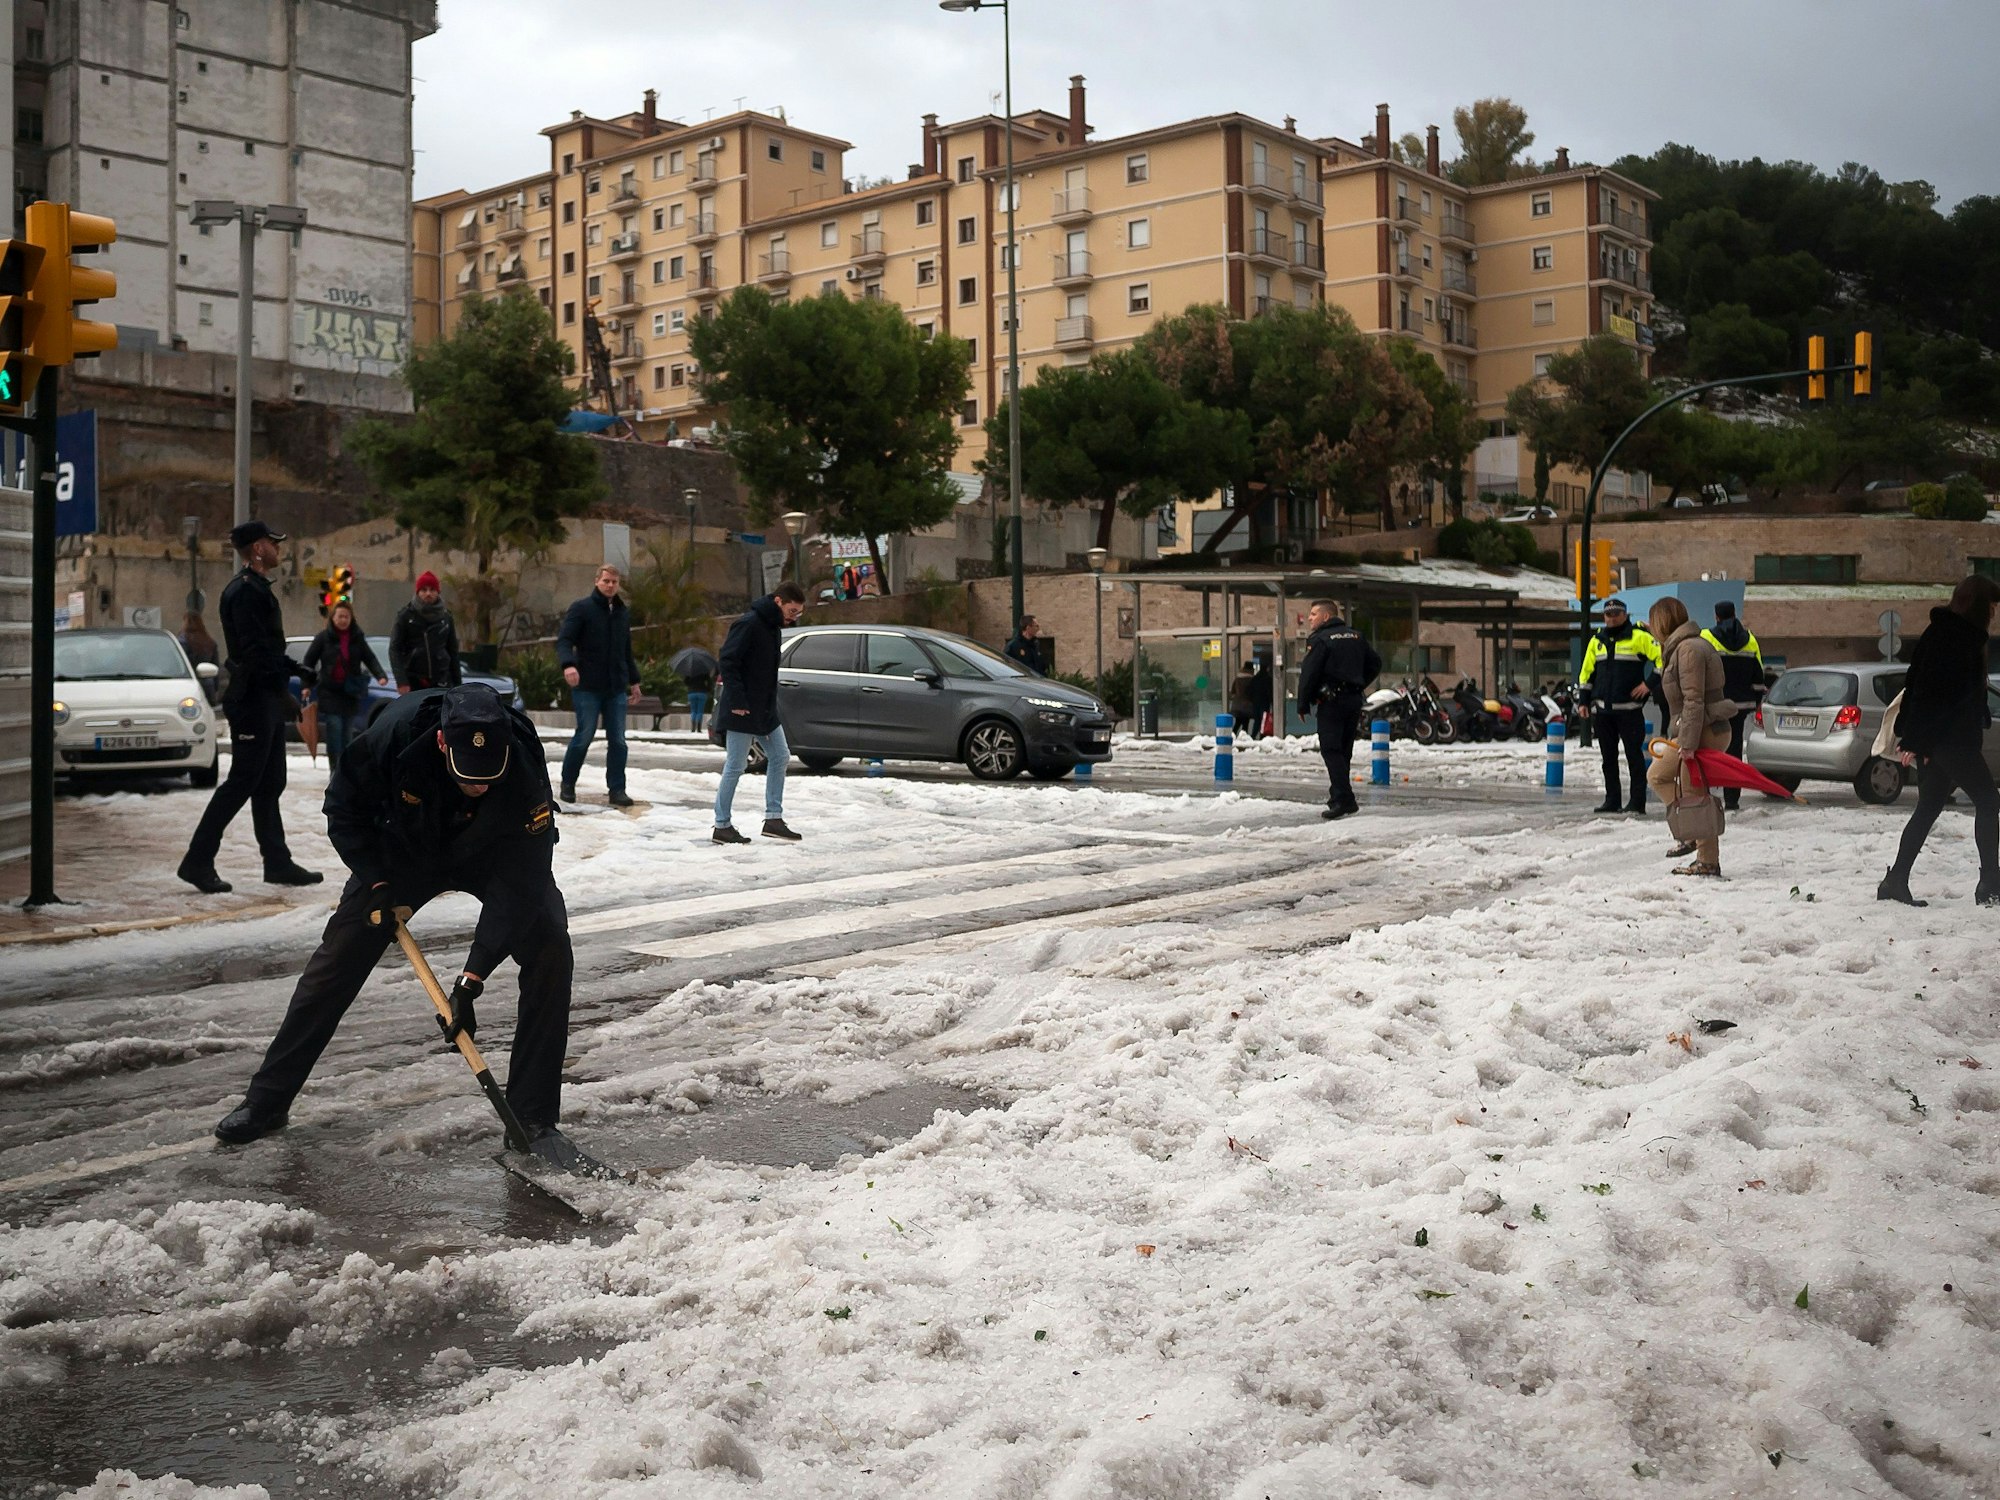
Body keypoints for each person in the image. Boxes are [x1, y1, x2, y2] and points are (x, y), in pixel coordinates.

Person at [211, 684, 582, 1167]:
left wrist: (471, 979)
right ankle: (266, 1101)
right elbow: (344, 808)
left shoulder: (524, 763)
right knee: (337, 959)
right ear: (444, 743)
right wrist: (377, 877)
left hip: (494, 853)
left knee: (551, 944)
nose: (479, 784)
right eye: (469, 776)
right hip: (405, 852)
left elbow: (523, 881)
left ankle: (532, 1120)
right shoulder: (391, 736)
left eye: (489, 776)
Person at [178, 520, 321, 894]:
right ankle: (197, 860)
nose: (279, 549)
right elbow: (254, 654)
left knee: (270, 783)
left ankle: (277, 862)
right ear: (258, 549)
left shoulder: (257, 589)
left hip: (265, 698)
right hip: (252, 700)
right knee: (241, 782)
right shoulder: (244, 593)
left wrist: (296, 670)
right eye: (274, 543)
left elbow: (269, 650)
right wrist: (283, 690)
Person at [1878, 575, 2000, 907]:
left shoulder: (1950, 634)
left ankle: (1895, 880)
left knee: (1929, 807)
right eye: (1990, 607)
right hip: (1950, 740)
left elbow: (1922, 687)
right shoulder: (1955, 639)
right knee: (1989, 801)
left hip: (1944, 739)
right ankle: (1990, 884)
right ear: (1977, 606)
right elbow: (1928, 693)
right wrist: (1919, 742)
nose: (1994, 613)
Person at [1645, 596, 1735, 877]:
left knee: (1694, 793)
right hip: (1695, 728)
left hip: (1703, 730)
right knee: (1660, 776)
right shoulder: (1681, 647)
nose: (1649, 627)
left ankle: (1707, 860)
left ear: (1662, 621)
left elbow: (1693, 701)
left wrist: (1688, 745)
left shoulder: (1688, 650)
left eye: (1652, 621)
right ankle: (1691, 832)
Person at [712, 582, 807, 844]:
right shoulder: (750, 623)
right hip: (741, 707)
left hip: (765, 707)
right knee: (736, 765)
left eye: (799, 612)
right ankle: (721, 825)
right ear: (778, 601)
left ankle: (773, 819)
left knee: (780, 756)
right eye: (792, 610)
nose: (794, 616)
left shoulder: (773, 626)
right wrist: (738, 699)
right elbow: (728, 661)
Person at [556, 564, 643, 807]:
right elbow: (564, 640)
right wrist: (568, 665)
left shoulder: (622, 613)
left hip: (615, 687)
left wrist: (634, 681)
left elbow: (626, 650)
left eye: (614, 582)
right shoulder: (582, 609)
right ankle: (568, 782)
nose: (610, 585)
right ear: (597, 581)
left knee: (618, 740)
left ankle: (617, 789)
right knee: (584, 736)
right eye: (606, 581)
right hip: (587, 686)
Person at [1296, 599, 1382, 820]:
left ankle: (1345, 800)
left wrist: (1303, 703)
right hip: (1353, 700)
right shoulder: (1356, 636)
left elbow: (1310, 672)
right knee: (1343, 751)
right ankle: (1339, 797)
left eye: (1314, 614)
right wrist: (1359, 683)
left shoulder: (1321, 639)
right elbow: (1375, 663)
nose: (1310, 618)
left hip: (1331, 702)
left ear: (1326, 616)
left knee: (1331, 750)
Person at [1579, 597, 1662, 815]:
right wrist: (1583, 701)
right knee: (1608, 759)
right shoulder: (1596, 641)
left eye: (1616, 614)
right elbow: (1587, 673)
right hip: (1603, 711)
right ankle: (1612, 800)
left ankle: (1637, 802)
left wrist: (1648, 685)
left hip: (1630, 711)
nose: (1612, 618)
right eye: (1608, 615)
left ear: (1625, 615)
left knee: (1634, 757)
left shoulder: (1640, 637)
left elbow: (1663, 659)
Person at [301, 602, 389, 772]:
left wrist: (380, 675)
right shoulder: (323, 638)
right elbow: (309, 661)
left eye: (346, 617)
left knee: (347, 734)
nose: (343, 620)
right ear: (333, 618)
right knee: (334, 730)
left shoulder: (356, 637)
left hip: (350, 692)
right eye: (339, 616)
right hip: (329, 692)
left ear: (351, 618)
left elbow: (369, 658)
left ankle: (345, 770)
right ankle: (335, 769)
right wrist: (306, 685)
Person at [1701, 601, 1765, 812]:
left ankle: (1705, 795)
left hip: (1715, 706)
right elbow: (1758, 675)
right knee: (1734, 751)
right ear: (1734, 614)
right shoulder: (1750, 639)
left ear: (1716, 616)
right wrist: (1754, 700)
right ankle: (1732, 799)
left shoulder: (1707, 637)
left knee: (1708, 749)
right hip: (1740, 706)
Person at [390, 571, 462, 694]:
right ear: (418, 592)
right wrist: (401, 681)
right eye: (424, 590)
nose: (428, 593)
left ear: (437, 592)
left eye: (432, 590)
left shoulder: (446, 618)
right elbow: (394, 649)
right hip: (414, 681)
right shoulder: (406, 616)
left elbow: (453, 652)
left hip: (442, 680)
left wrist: (458, 685)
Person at [1228, 660, 1260, 741]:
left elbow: (1232, 691)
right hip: (1247, 704)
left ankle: (1233, 735)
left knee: (1238, 722)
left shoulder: (1238, 678)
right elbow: (1253, 692)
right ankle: (1243, 738)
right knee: (1245, 722)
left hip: (1237, 704)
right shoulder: (1252, 679)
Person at [1249, 657, 1274, 738]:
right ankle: (1263, 736)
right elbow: (1270, 691)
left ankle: (1253, 736)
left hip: (1256, 702)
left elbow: (1249, 690)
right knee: (1264, 719)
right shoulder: (1268, 679)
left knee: (1257, 720)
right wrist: (1271, 701)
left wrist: (1252, 699)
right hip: (1264, 702)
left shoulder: (1255, 678)